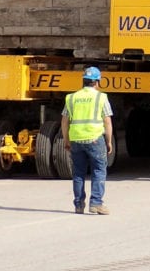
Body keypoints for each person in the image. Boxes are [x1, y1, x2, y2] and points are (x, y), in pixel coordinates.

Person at [61, 66, 114, 215]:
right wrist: (109, 141)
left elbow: (64, 121)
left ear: (83, 81)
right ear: (97, 82)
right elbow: (107, 121)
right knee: (98, 170)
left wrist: (67, 140)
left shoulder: (72, 97)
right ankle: (96, 203)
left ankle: (78, 204)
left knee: (78, 173)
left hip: (76, 139)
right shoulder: (100, 97)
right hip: (95, 139)